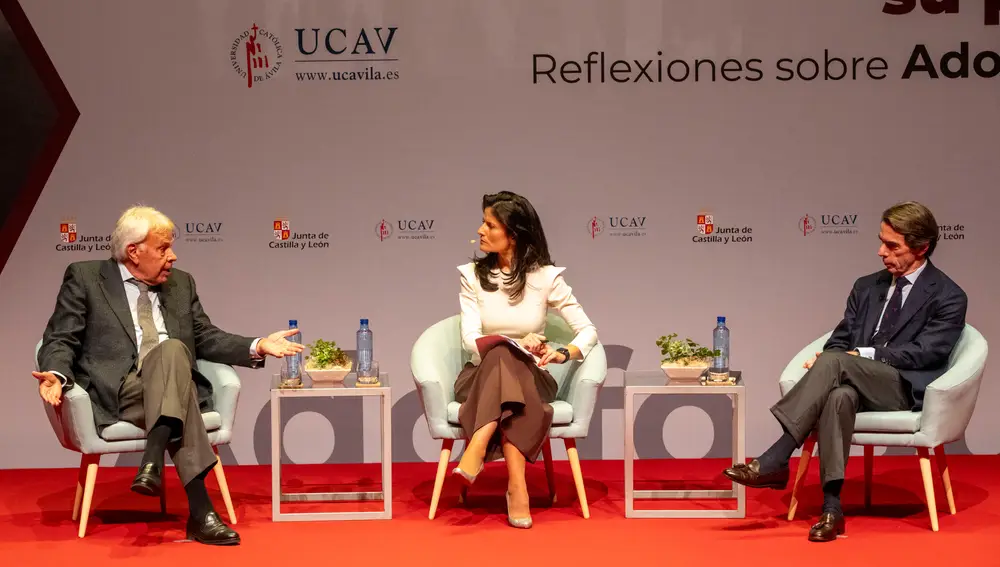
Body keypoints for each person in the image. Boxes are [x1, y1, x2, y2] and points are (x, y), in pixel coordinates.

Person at [34, 206, 304, 546]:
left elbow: (205, 336)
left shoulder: (181, 283)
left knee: (173, 351)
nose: (172, 257)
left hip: (172, 381)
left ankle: (153, 460)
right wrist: (56, 374)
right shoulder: (86, 278)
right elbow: (61, 337)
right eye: (163, 248)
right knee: (178, 377)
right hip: (120, 389)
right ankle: (199, 511)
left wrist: (257, 345)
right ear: (134, 251)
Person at [723, 201, 967, 542]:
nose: (881, 252)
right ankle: (832, 509)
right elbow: (840, 340)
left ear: (921, 248)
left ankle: (778, 455)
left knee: (836, 362)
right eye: (881, 242)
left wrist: (858, 356)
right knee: (838, 395)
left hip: (900, 387)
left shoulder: (948, 295)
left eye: (892, 246)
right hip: (854, 381)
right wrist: (831, 360)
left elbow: (929, 352)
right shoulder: (867, 286)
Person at [451, 191, 598, 528]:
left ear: (514, 234)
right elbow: (471, 340)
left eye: (490, 225)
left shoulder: (546, 278)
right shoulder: (471, 276)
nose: (480, 231)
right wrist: (518, 343)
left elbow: (587, 331)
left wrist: (561, 352)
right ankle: (517, 487)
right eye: (483, 223)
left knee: (509, 363)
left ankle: (478, 444)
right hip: (479, 378)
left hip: (531, 377)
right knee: (502, 354)